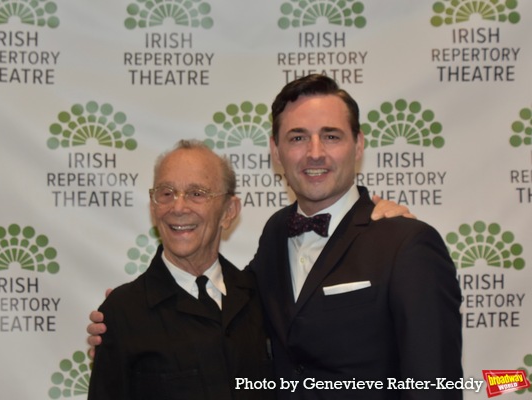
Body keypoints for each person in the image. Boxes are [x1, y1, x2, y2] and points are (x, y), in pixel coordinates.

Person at [89, 74, 461, 399]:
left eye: (331, 136)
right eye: (297, 137)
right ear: (276, 151)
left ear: (358, 145)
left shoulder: (406, 244)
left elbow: (435, 385)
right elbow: (222, 304)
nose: (315, 153)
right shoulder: (275, 234)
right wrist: (129, 325)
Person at [87, 140, 274, 400]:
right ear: (153, 208)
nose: (178, 207)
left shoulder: (261, 299)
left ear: (228, 212)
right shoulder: (122, 313)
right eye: (166, 193)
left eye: (197, 193)